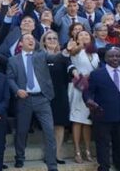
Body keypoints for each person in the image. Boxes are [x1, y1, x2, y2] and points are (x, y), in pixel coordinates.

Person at [6, 33, 58, 171]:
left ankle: (52, 163)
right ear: (20, 43)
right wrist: (17, 90)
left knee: (49, 131)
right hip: (24, 100)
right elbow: (10, 79)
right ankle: (19, 158)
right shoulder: (13, 60)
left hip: (42, 99)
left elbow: (54, 57)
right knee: (22, 131)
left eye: (33, 39)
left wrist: (66, 51)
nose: (31, 40)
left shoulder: (41, 55)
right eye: (27, 39)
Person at [84, 47, 120, 171]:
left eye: (117, 56)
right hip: (102, 115)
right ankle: (104, 167)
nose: (115, 58)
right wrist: (89, 100)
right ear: (105, 58)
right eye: (111, 56)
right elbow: (88, 92)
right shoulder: (97, 74)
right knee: (103, 144)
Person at [66, 30, 99, 163]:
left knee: (87, 121)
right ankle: (77, 151)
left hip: (91, 89)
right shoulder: (75, 50)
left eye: (87, 35)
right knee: (77, 120)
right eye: (81, 35)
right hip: (79, 88)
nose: (84, 37)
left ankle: (87, 150)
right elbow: (71, 53)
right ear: (76, 38)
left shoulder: (95, 53)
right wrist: (78, 45)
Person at [40, 30, 70, 164]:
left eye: (54, 38)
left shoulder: (63, 56)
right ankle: (49, 154)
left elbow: (68, 75)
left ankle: (57, 153)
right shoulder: (39, 56)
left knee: (59, 125)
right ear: (44, 42)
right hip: (44, 95)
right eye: (49, 38)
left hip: (60, 94)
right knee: (48, 126)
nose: (52, 40)